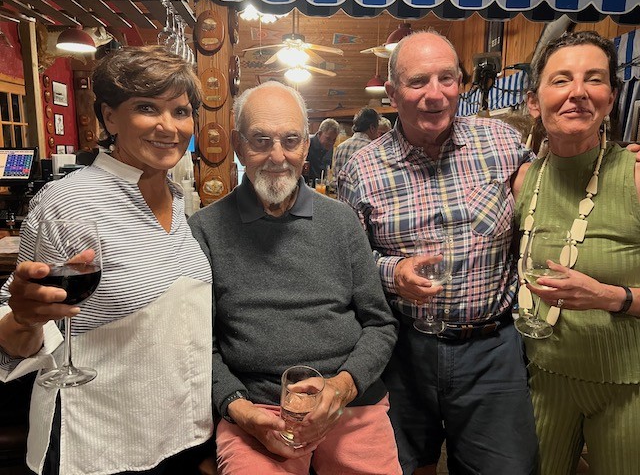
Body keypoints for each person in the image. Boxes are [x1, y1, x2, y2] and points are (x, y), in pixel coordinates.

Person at [0, 46, 214, 475]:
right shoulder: (69, 201)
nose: (168, 126)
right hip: (99, 442)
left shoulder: (177, 199)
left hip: (179, 431)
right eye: (146, 107)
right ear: (110, 117)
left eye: (180, 111)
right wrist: (23, 319)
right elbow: (20, 326)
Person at [338, 30, 538, 475]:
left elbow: (550, 193)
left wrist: (609, 162)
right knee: (398, 467)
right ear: (392, 93)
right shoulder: (360, 169)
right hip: (403, 352)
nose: (435, 94)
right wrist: (393, 273)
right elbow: (349, 264)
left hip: (491, 351)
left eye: (446, 78)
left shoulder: (502, 143)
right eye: (418, 81)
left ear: (460, 83)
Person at [188, 81, 401, 475]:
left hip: (348, 402)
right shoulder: (205, 229)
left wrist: (342, 387)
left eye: (290, 141)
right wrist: (238, 408)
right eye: (260, 140)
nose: (277, 156)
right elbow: (198, 345)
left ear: (306, 145)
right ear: (237, 145)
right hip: (256, 409)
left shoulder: (341, 221)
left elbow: (380, 325)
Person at [512, 31, 640, 475]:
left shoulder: (635, 176)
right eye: (562, 79)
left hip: (627, 387)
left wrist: (611, 297)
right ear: (534, 102)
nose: (579, 92)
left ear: (611, 98)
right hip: (541, 379)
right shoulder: (524, 180)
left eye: (595, 79)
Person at [332, 107, 380, 176]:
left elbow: (335, 178)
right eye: (377, 129)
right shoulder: (374, 149)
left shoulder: (340, 148)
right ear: (372, 128)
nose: (378, 134)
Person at [306, 118, 339, 184]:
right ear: (319, 134)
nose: (331, 143)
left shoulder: (329, 147)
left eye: (334, 140)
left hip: (321, 185)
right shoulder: (306, 144)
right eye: (328, 139)